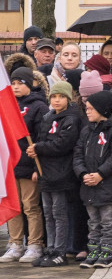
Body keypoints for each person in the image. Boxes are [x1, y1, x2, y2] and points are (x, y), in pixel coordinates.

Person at [25, 81, 82, 267]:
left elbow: (62, 144)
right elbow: (41, 140)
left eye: (61, 97)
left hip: (62, 173)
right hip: (45, 173)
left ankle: (60, 251)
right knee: (48, 212)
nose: (57, 100)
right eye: (54, 97)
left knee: (59, 213)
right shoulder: (48, 117)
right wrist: (35, 163)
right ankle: (50, 248)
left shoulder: (72, 119)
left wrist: (39, 148)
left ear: (68, 98)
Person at [74, 90, 112, 269]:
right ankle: (94, 250)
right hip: (89, 185)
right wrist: (83, 174)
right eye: (86, 108)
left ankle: (107, 252)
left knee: (108, 222)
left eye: (90, 109)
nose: (87, 112)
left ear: (102, 110)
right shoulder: (86, 131)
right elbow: (78, 155)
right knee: (93, 222)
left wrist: (100, 174)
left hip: (108, 186)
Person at [0, 68, 49, 264]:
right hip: (10, 166)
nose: (16, 87)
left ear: (30, 84)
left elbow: (41, 138)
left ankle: (35, 244)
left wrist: (38, 167)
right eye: (13, 83)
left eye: (20, 83)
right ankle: (15, 243)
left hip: (29, 166)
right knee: (14, 206)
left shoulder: (39, 107)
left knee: (31, 206)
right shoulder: (6, 105)